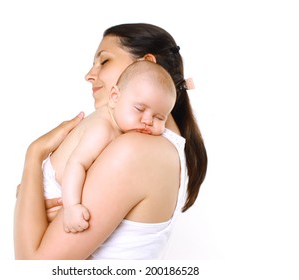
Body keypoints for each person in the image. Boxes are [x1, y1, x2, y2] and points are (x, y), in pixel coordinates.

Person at [14, 23, 208, 260]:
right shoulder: (153, 143)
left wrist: (34, 156)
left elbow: (33, 268)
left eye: (104, 61)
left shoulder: (136, 150)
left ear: (146, 62)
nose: (89, 75)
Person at [44, 60, 176, 233]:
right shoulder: (103, 128)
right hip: (53, 187)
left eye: (159, 117)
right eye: (139, 109)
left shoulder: (126, 128)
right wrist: (71, 207)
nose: (148, 121)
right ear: (114, 97)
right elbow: (76, 164)